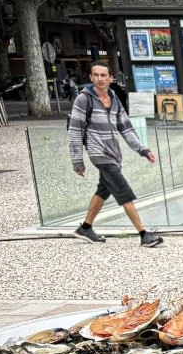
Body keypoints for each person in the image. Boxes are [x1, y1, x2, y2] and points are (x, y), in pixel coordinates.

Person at [68, 62, 163, 246]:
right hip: (98, 154)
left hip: (113, 154)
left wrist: (143, 150)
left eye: (103, 75)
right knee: (123, 191)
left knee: (103, 190)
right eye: (95, 75)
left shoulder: (114, 98)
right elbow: (75, 131)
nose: (99, 79)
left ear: (111, 78)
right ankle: (144, 235)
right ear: (91, 77)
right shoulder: (83, 99)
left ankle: (85, 228)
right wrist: (77, 161)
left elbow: (126, 128)